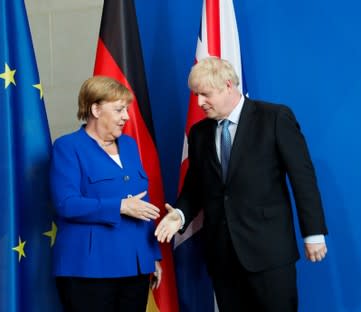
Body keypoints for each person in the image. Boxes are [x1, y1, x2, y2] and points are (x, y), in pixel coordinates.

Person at [155, 57, 328, 312]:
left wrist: (313, 233)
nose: (199, 102)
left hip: (269, 252)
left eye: (205, 94)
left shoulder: (275, 117)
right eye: (196, 95)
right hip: (222, 255)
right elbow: (195, 187)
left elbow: (303, 178)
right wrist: (179, 216)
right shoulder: (199, 133)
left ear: (227, 85)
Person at [50, 76, 162, 312]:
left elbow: (143, 204)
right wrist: (119, 206)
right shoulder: (68, 147)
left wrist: (152, 255)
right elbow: (66, 204)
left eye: (127, 109)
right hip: (89, 269)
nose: (126, 117)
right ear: (96, 109)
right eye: (120, 109)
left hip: (135, 265)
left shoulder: (130, 146)